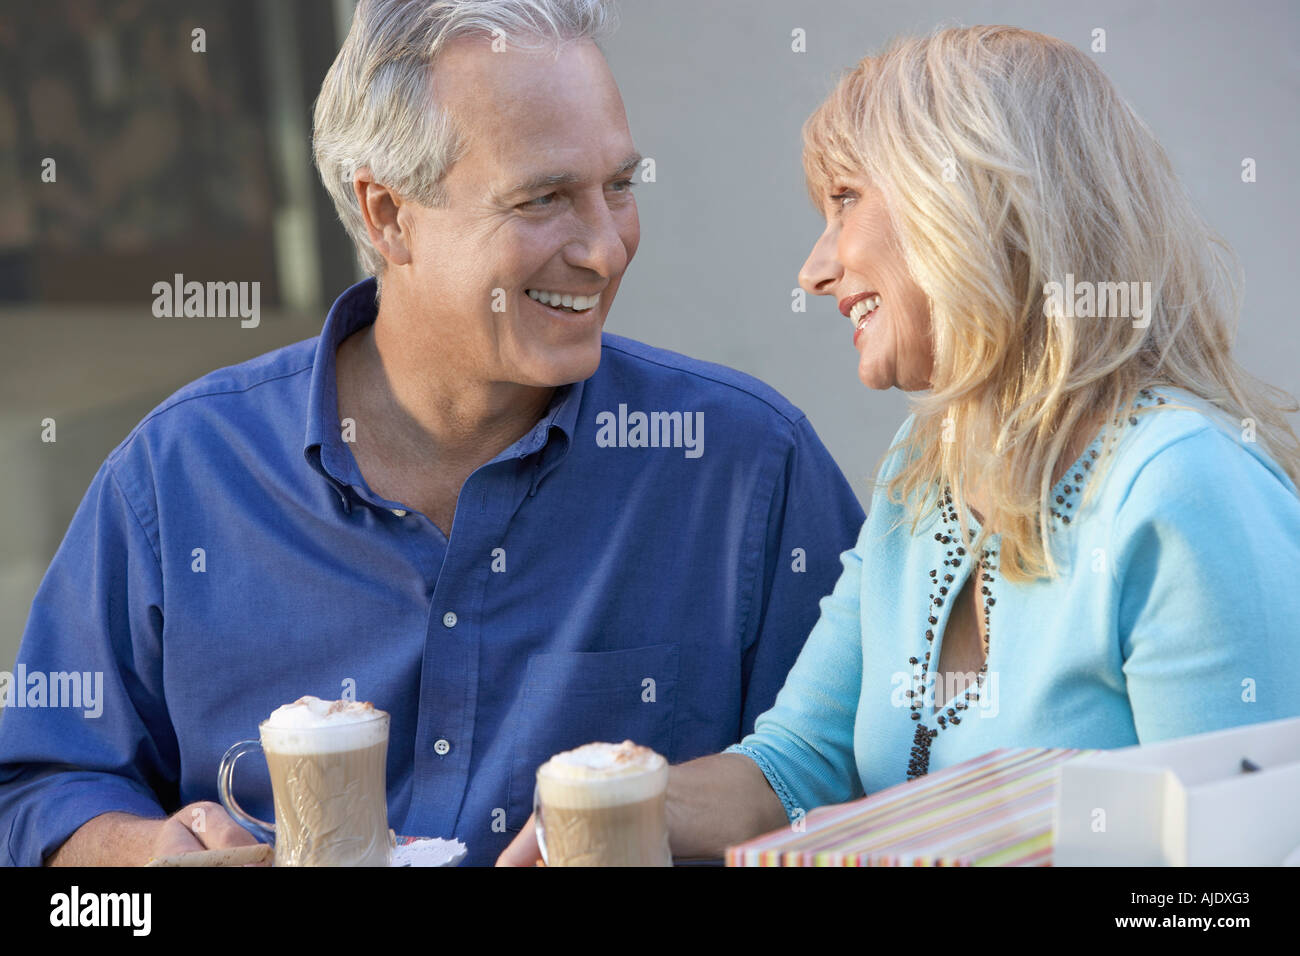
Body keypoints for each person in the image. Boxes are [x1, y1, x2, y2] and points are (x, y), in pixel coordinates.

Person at [0, 0, 865, 867]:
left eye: (619, 187)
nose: (606, 249)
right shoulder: (177, 477)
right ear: (386, 215)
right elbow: (35, 789)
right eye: (544, 198)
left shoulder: (747, 469)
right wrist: (147, 858)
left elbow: (858, 783)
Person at [498, 24, 1300, 864]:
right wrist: (601, 810)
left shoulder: (1182, 487)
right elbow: (793, 768)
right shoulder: (921, 478)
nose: (814, 272)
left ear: (974, 200)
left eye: (844, 201)